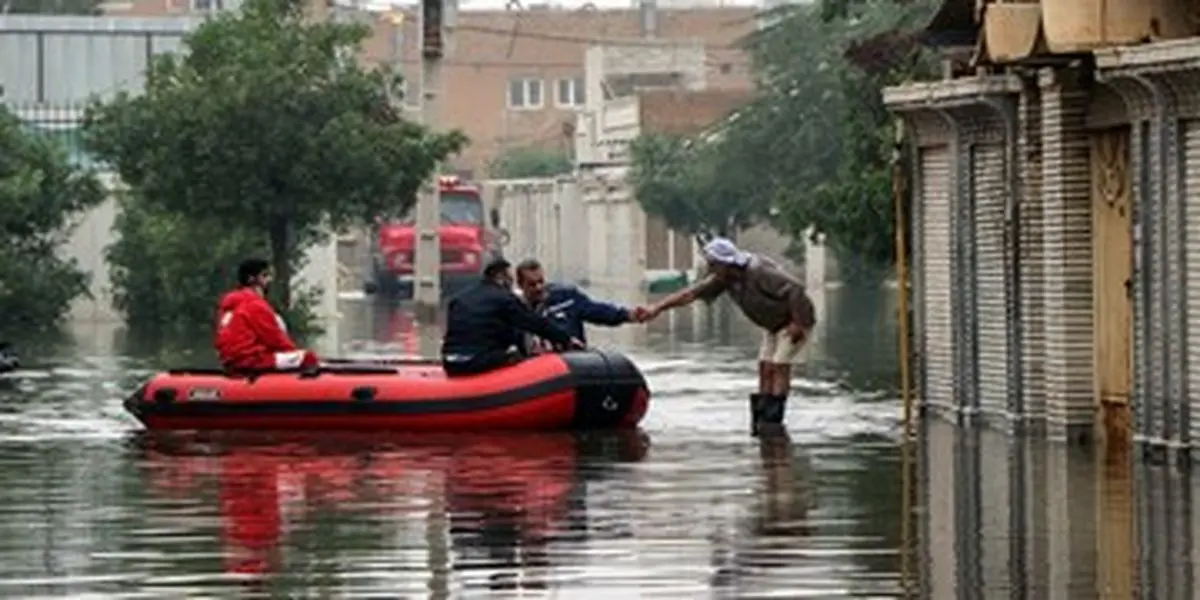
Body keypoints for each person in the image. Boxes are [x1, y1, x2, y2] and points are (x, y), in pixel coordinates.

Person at [644, 238, 817, 431]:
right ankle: (762, 419)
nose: (710, 269)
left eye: (713, 265)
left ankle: (774, 420)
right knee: (765, 366)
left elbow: (795, 289)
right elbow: (690, 295)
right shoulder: (724, 279)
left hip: (794, 321)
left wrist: (799, 323)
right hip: (773, 325)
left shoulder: (758, 271)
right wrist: (657, 308)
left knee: (779, 365)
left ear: (726, 263)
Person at [442, 257, 584, 377]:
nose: (511, 284)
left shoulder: (460, 299)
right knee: (515, 356)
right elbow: (533, 322)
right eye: (510, 279)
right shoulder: (505, 298)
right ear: (501, 278)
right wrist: (565, 339)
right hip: (478, 361)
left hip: (451, 363)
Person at [514, 258, 650, 354]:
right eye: (532, 284)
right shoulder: (515, 309)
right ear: (521, 285)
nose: (539, 288)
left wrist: (629, 315)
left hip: (571, 362)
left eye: (541, 282)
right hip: (536, 367)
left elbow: (597, 311)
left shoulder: (566, 298)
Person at [214, 258, 320, 373]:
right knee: (308, 357)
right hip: (252, 360)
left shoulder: (230, 306)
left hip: (231, 362)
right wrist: (296, 354)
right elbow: (276, 340)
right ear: (251, 279)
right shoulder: (254, 304)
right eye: (264, 276)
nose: (269, 280)